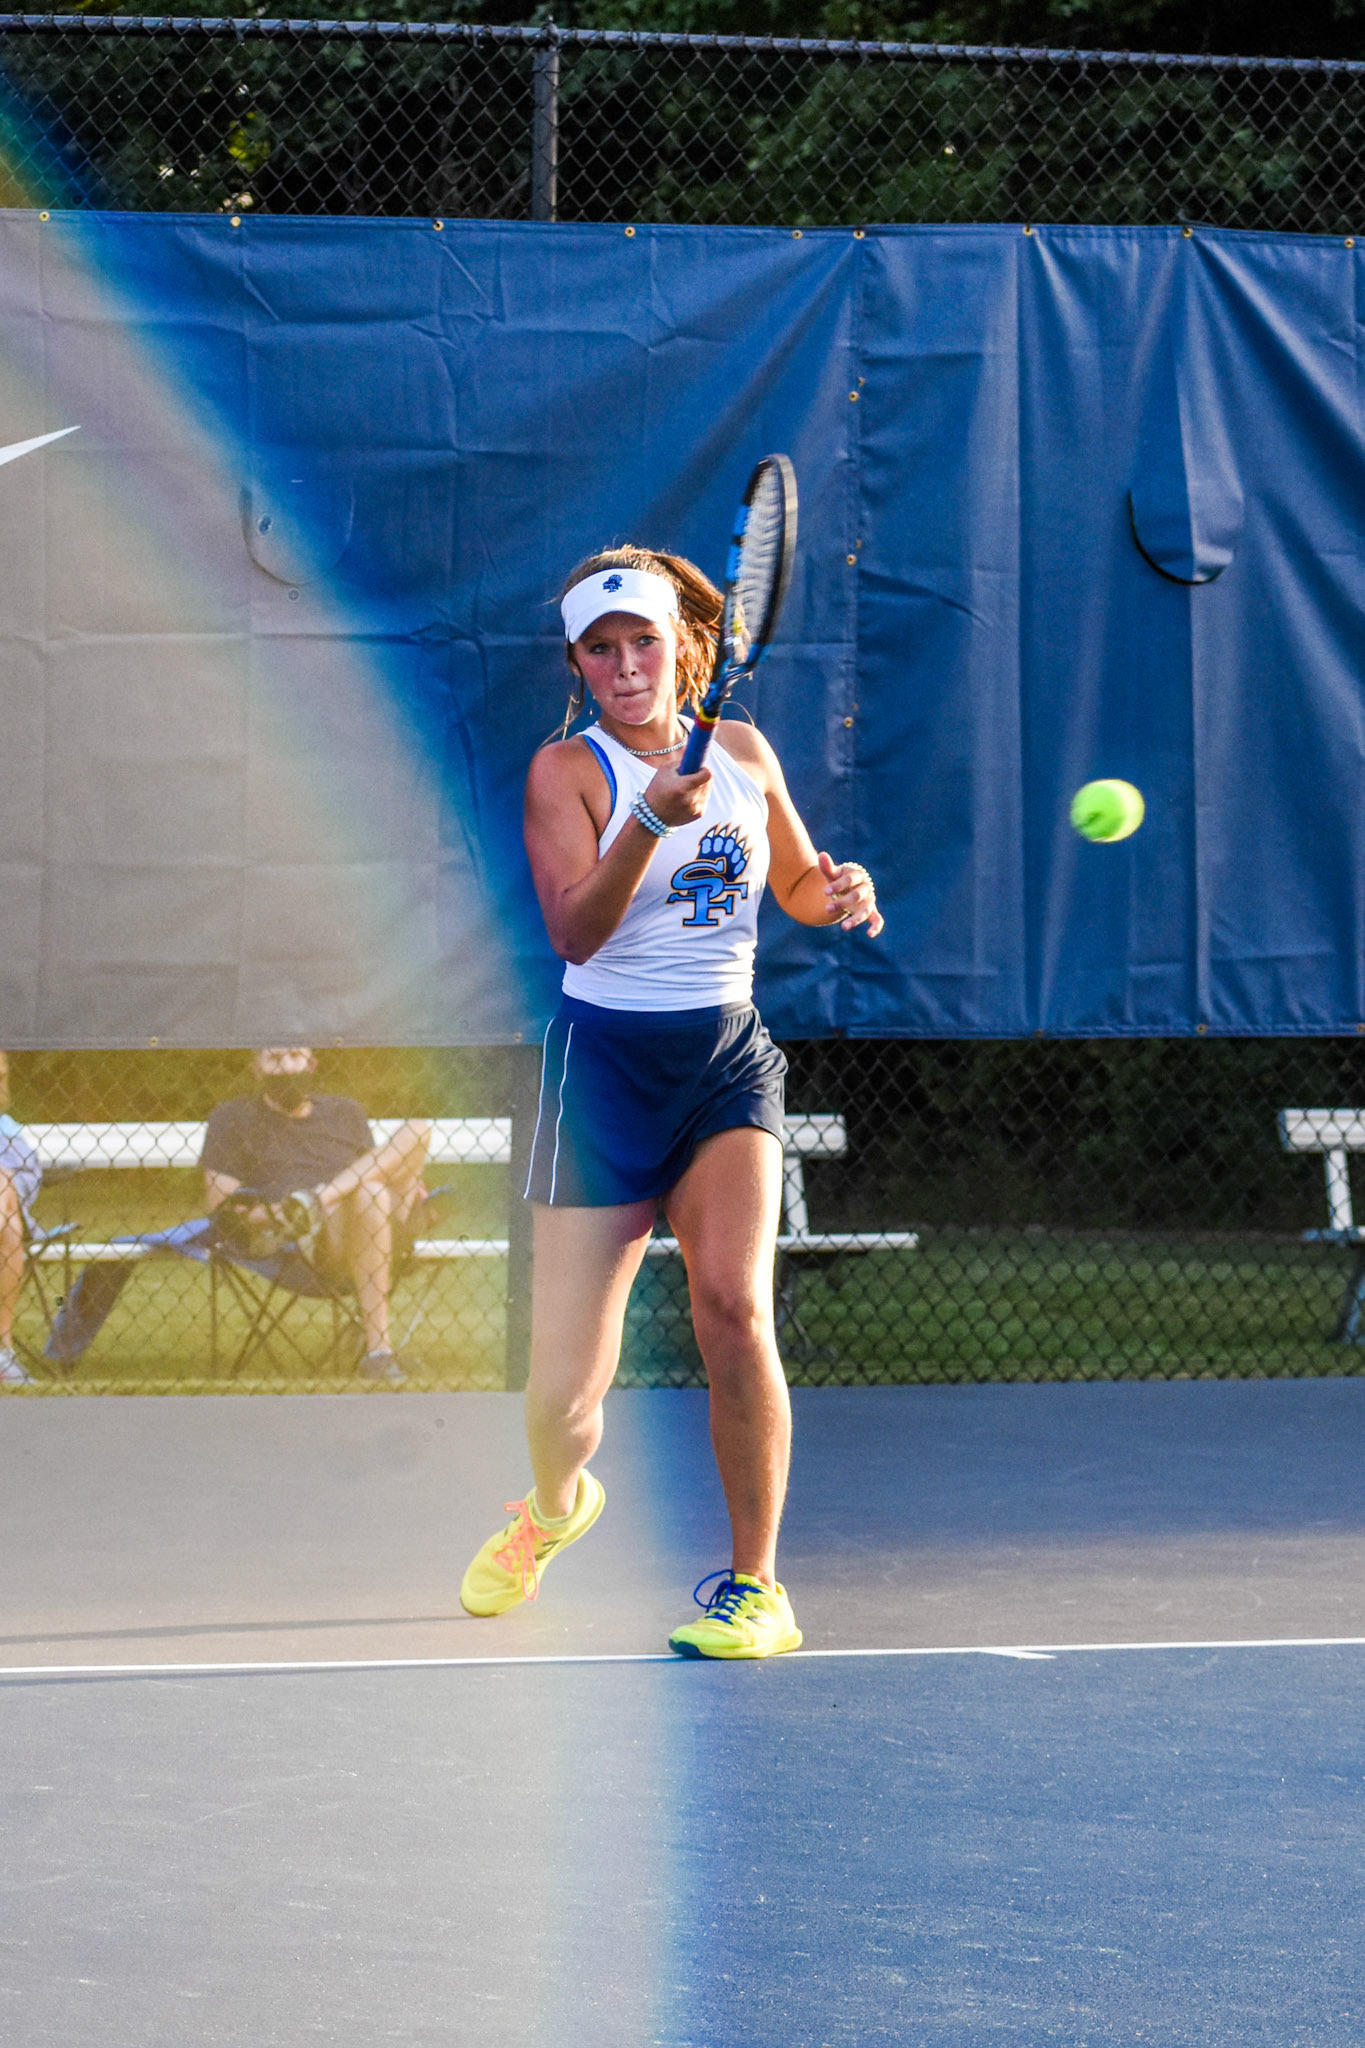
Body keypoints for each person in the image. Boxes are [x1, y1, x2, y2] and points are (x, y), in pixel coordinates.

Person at [459, 547, 882, 1657]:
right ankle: (556, 1506)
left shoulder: (742, 751)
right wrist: (648, 818)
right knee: (562, 1397)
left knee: (734, 1311)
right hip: (600, 1070)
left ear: (683, 645)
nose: (624, 663)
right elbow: (573, 934)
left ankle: (757, 1587)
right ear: (580, 666)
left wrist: (837, 891)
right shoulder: (569, 771)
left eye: (642, 638)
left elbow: (791, 882)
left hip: (726, 1062)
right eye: (601, 648)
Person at [202, 1048, 432, 1383]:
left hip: (383, 1231)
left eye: (295, 1056)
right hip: (314, 1240)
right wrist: (279, 1214)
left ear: (312, 1063)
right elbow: (222, 1211)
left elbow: (373, 1168)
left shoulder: (346, 1112)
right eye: (275, 1059)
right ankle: (379, 1352)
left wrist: (320, 1197)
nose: (287, 1068)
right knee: (369, 1193)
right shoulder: (234, 1118)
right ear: (256, 1069)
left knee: (419, 1128)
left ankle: (316, 1200)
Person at [0, 1052, 42, 1388]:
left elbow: (30, 1178)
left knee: (4, 1192)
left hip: (8, 1221)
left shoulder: (7, 1130)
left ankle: (2, 1347)